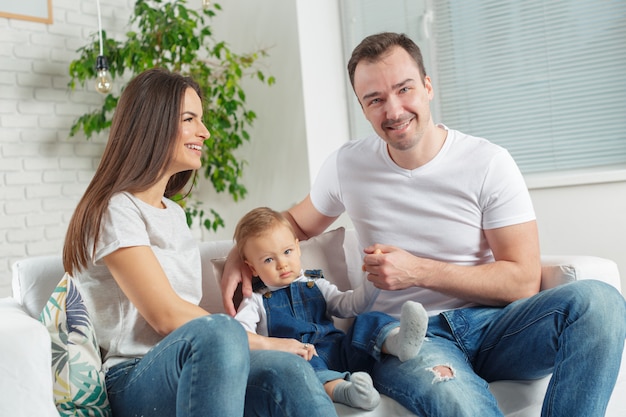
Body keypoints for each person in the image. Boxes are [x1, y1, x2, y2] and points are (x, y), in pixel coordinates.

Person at [221, 33, 626, 416]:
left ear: (428, 86)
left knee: (600, 302)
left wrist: (418, 270)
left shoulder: (487, 162)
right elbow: (290, 225)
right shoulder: (348, 165)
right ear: (362, 108)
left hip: (496, 326)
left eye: (404, 89)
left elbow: (522, 280)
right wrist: (243, 256)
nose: (393, 110)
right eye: (375, 99)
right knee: (461, 405)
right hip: (407, 339)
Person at [62, 68, 338, 417]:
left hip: (196, 367)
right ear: (154, 124)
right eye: (190, 119)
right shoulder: (116, 209)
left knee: (289, 370)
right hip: (133, 376)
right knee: (220, 331)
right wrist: (265, 342)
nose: (205, 132)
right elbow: (165, 316)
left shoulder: (174, 214)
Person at [232, 207, 428, 411]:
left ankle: (397, 342)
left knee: (366, 320)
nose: (282, 264)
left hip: (339, 349)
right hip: (305, 358)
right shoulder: (255, 300)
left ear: (298, 248)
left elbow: (350, 305)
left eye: (287, 252)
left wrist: (372, 281)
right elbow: (238, 335)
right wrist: (277, 345)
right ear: (252, 268)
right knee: (303, 370)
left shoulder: (316, 284)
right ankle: (347, 392)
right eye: (268, 259)